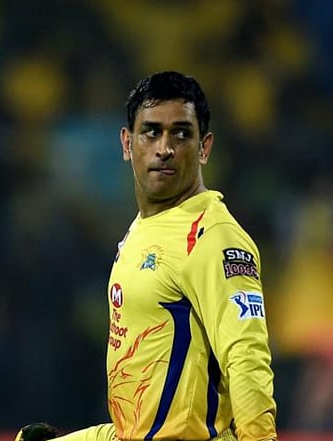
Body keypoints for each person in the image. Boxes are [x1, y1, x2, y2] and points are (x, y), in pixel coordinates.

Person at [15, 71, 278, 441]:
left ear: (204, 147)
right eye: (151, 132)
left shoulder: (212, 237)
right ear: (127, 143)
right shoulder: (145, 227)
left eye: (181, 133)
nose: (164, 147)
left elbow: (246, 354)